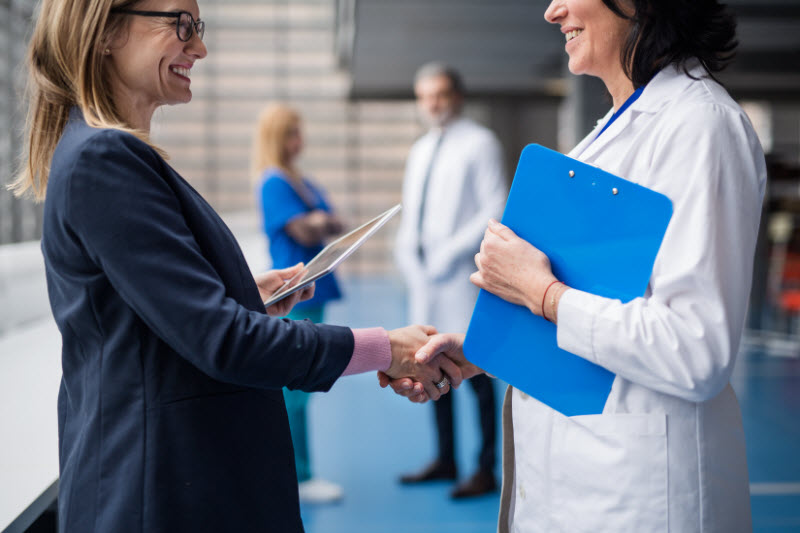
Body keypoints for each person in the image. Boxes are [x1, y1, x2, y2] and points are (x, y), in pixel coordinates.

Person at [10, 1, 466, 531]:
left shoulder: (103, 153)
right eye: (182, 25)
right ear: (106, 29)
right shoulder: (105, 160)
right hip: (156, 491)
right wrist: (385, 348)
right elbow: (223, 341)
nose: (199, 47)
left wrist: (243, 292)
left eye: (198, 28)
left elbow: (150, 317)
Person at [385, 0, 766, 531]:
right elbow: (604, 302)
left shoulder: (701, 126)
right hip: (576, 481)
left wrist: (541, 294)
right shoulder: (611, 131)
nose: (551, 10)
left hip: (638, 493)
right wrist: (485, 354)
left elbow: (696, 348)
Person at [391, 62, 508, 498]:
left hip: (461, 277)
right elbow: (410, 211)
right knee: (426, 366)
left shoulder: (480, 143)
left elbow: (492, 206)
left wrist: (449, 251)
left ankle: (484, 468)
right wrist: (408, 254)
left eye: (439, 94)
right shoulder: (421, 149)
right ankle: (445, 459)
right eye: (425, 96)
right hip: (426, 280)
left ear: (456, 96)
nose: (433, 104)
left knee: (475, 372)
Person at [253, 103, 345, 503]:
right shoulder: (274, 183)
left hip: (312, 290)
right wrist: (319, 220)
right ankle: (298, 476)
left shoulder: (299, 182)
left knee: (302, 390)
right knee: (295, 390)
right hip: (290, 293)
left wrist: (318, 220)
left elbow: (331, 222)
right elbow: (306, 230)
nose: (299, 141)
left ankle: (297, 473)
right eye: (292, 133)